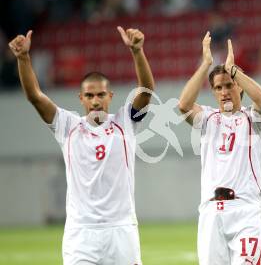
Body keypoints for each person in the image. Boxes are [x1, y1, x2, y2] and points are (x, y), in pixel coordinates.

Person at [8, 26, 155, 264]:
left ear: (110, 96)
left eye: (100, 95)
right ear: (81, 98)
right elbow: (35, 96)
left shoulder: (125, 122)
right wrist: (24, 58)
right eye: (89, 96)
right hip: (81, 234)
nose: (95, 101)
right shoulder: (67, 126)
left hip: (121, 230)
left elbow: (146, 93)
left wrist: (137, 52)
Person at [178, 32, 261, 265]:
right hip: (211, 212)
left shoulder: (252, 119)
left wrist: (234, 69)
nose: (224, 91)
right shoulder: (208, 119)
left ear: (239, 88)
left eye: (229, 85)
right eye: (218, 87)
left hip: (245, 210)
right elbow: (183, 105)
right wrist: (206, 63)